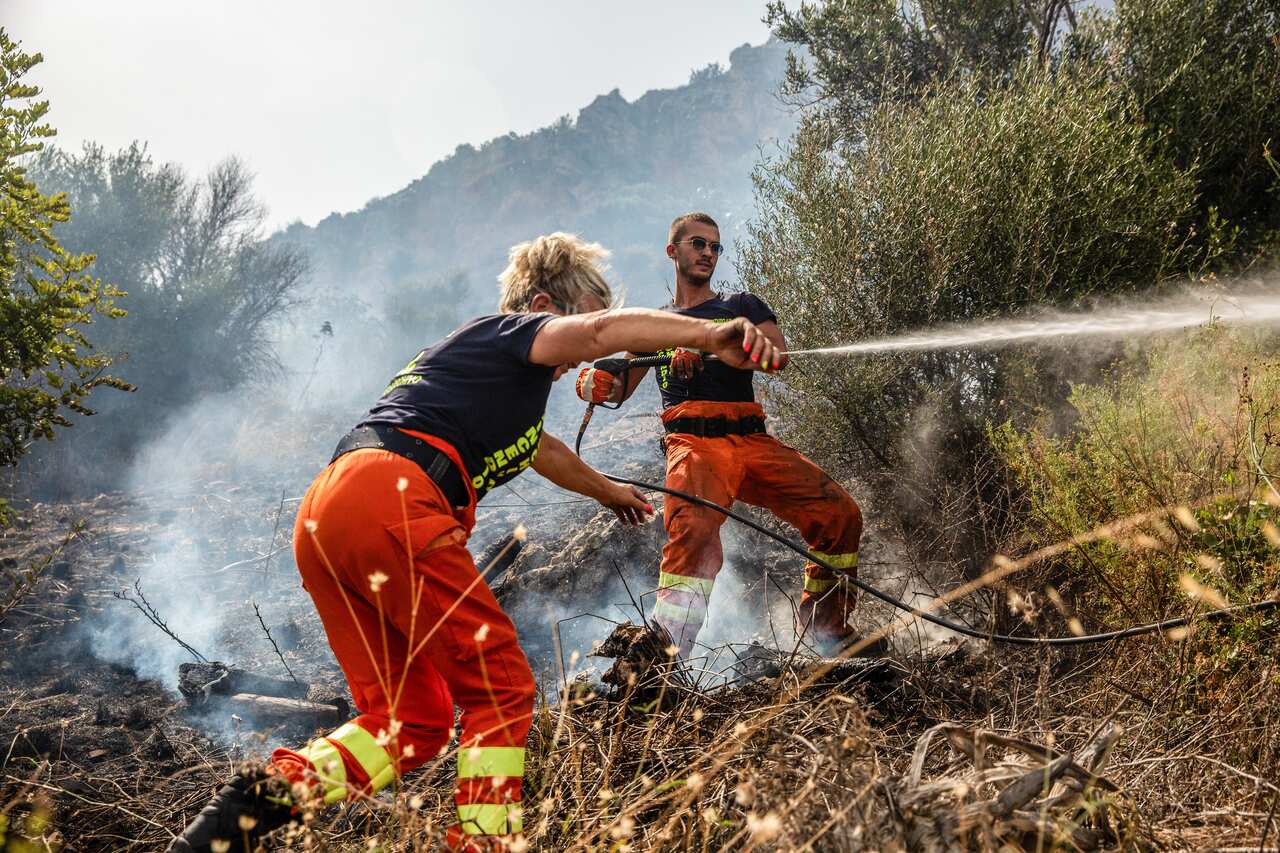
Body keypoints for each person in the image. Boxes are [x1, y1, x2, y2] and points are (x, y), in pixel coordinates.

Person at [168, 233, 783, 853]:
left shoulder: (492, 380)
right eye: (578, 317)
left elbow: (542, 450)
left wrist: (606, 492)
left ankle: (241, 815)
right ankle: (485, 844)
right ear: (542, 303)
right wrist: (704, 334)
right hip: (393, 497)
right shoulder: (509, 331)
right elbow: (598, 335)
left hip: (331, 515)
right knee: (502, 687)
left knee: (412, 721)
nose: (576, 357)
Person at [575, 212, 865, 659]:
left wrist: (710, 344)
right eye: (698, 244)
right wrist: (590, 382)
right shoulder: (655, 323)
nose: (708, 253)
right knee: (694, 535)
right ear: (673, 251)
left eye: (715, 247)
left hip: (752, 440)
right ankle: (662, 663)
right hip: (693, 444)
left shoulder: (740, 306)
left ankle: (826, 632)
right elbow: (616, 385)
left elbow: (776, 355)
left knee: (839, 514)